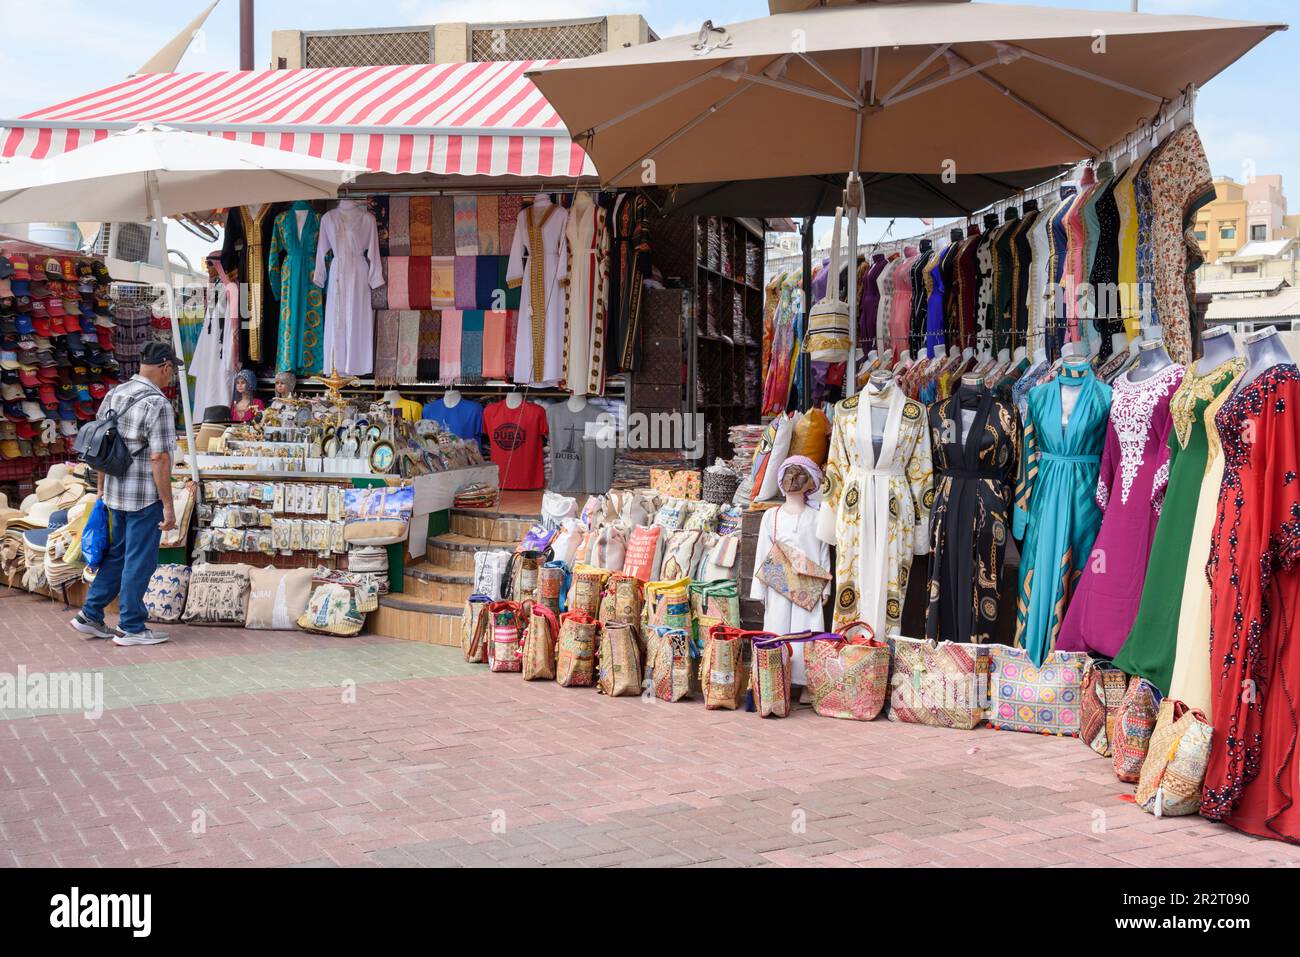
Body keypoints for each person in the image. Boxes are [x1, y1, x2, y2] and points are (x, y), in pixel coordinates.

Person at [70, 341, 179, 646]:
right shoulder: (158, 404)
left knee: (117, 556)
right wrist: (168, 506)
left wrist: (102, 488)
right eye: (171, 372)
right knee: (139, 560)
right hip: (144, 496)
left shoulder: (115, 394)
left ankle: (90, 614)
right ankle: (130, 625)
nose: (171, 378)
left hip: (116, 492)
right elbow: (160, 458)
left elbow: (102, 446)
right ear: (166, 367)